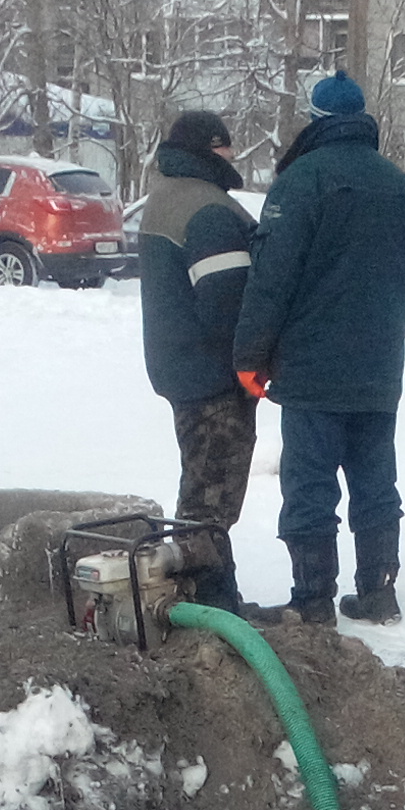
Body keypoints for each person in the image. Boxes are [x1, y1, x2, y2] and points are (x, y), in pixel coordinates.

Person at [227, 71, 405, 628]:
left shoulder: (302, 183)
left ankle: (313, 601)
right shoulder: (398, 185)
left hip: (313, 371)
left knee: (310, 482)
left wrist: (250, 357)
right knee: (375, 479)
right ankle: (379, 594)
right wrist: (385, 337)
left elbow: (272, 279)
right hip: (379, 369)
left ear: (316, 122)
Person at [135, 109, 259, 614]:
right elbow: (227, 304)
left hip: (179, 367)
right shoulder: (207, 211)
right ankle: (207, 603)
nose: (234, 155)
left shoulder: (164, 198)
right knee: (210, 499)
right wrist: (253, 361)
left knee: (201, 488)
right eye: (227, 147)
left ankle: (215, 596)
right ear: (213, 150)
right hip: (212, 376)